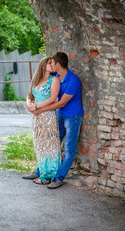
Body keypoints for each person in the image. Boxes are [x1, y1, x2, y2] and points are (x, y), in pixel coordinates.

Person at [23, 52, 84, 189]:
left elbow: (61, 102)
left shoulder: (73, 80)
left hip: (72, 116)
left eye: (52, 63)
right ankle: (41, 171)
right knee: (52, 144)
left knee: (69, 149)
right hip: (59, 115)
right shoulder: (55, 77)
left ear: (57, 64)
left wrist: (39, 108)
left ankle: (59, 178)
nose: (50, 64)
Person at [25, 56, 61, 185]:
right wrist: (29, 105)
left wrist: (37, 106)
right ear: (43, 65)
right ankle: (43, 173)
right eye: (49, 63)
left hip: (48, 116)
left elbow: (53, 98)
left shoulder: (54, 79)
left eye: (52, 63)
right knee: (40, 145)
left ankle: (48, 176)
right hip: (36, 117)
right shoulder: (36, 79)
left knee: (50, 145)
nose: (52, 65)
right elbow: (29, 95)